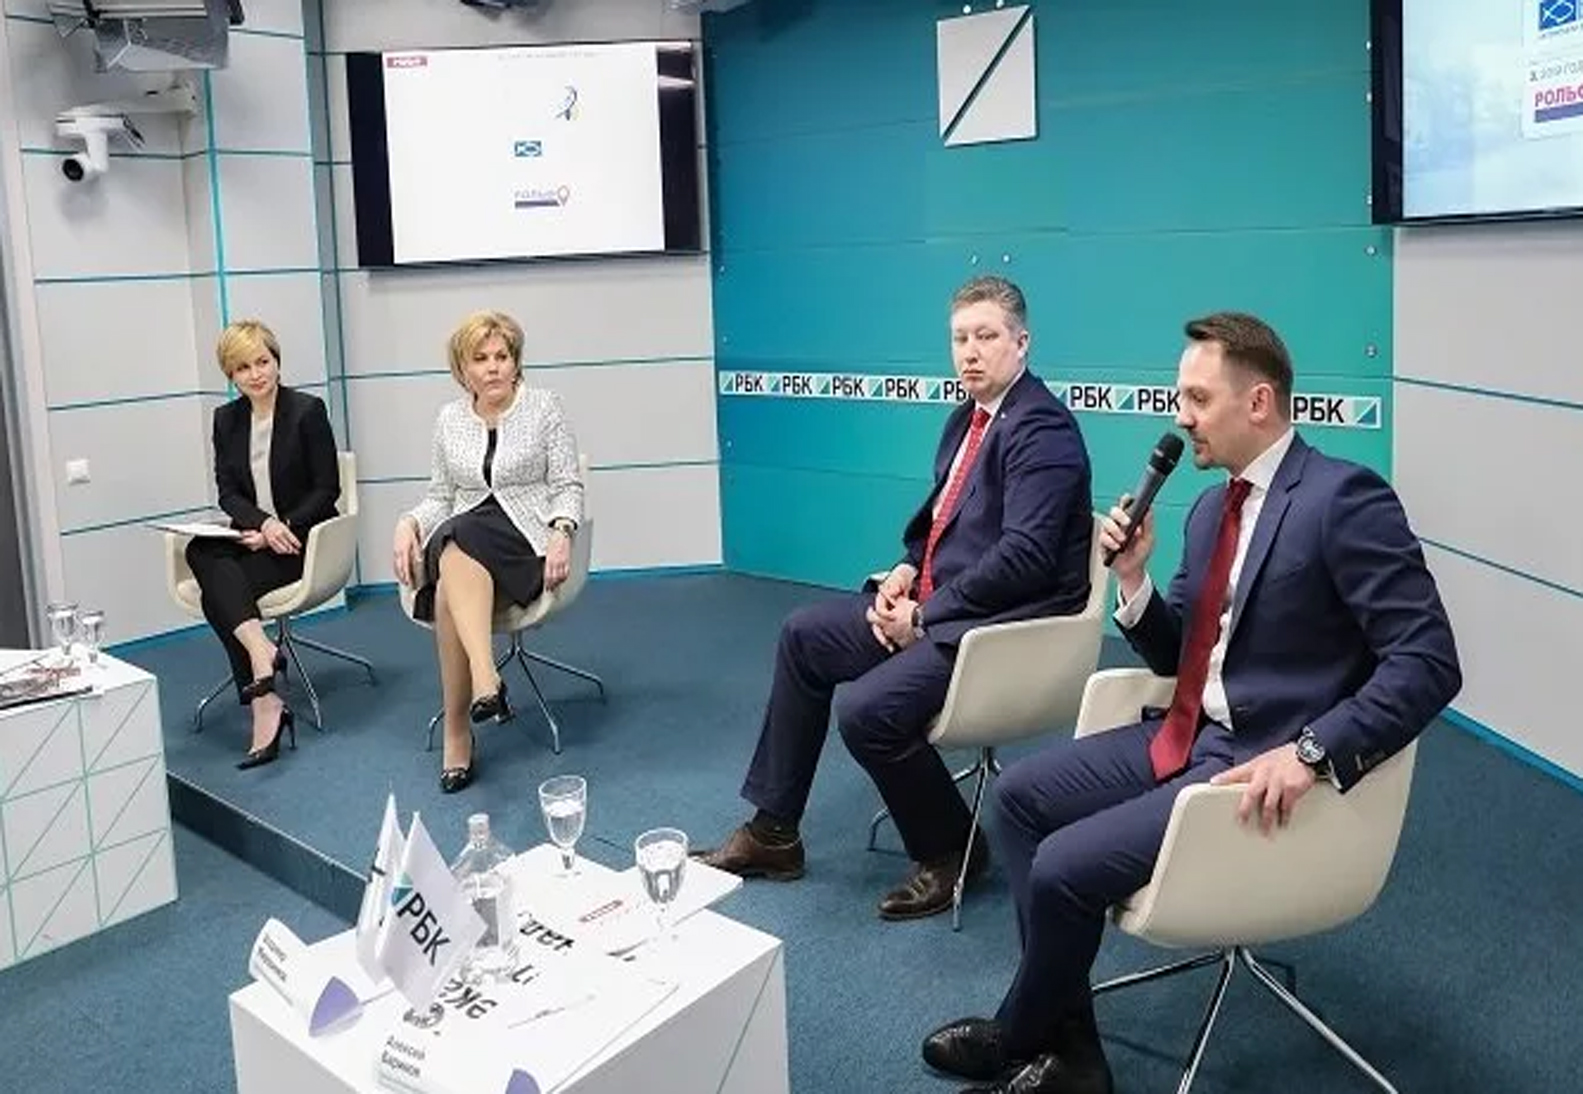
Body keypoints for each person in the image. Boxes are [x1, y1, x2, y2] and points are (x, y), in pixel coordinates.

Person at [920, 312, 1462, 1094]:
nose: (1180, 417)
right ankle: (1070, 1053)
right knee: (1019, 798)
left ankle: (1018, 1034)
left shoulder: (1342, 499)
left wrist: (1311, 752)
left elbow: (1428, 661)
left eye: (1197, 399)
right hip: (1186, 734)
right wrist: (1133, 581)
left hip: (1261, 758)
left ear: (1258, 402)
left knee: (1064, 868)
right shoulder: (1210, 511)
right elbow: (1180, 657)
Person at [697, 276, 1095, 921]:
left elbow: (1025, 558)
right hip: (941, 607)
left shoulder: (1042, 429)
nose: (970, 352)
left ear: (1022, 343)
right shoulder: (967, 420)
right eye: (960, 339)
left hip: (998, 628)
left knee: (868, 711)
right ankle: (775, 833)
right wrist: (908, 570)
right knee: (803, 636)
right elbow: (946, 525)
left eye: (986, 336)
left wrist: (925, 616)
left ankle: (951, 850)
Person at [392, 310, 583, 794]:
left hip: (524, 540)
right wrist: (408, 522)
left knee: (450, 568)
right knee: (456, 543)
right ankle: (482, 687)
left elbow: (567, 484)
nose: (494, 367)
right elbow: (440, 496)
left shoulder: (544, 407)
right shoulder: (449, 419)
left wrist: (562, 530)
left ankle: (462, 726)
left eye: (502, 356)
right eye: (481, 358)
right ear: (463, 368)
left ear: (516, 363)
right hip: (465, 536)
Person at [186, 320, 340, 770]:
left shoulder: (307, 411)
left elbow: (326, 488)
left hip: (299, 541)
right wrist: (261, 525)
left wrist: (281, 527)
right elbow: (228, 492)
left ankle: (264, 705)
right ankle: (261, 652)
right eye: (242, 368)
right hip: (256, 534)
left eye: (262, 362)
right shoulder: (226, 419)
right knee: (199, 550)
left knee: (218, 595)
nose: (255, 374)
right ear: (230, 375)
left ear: (276, 361)